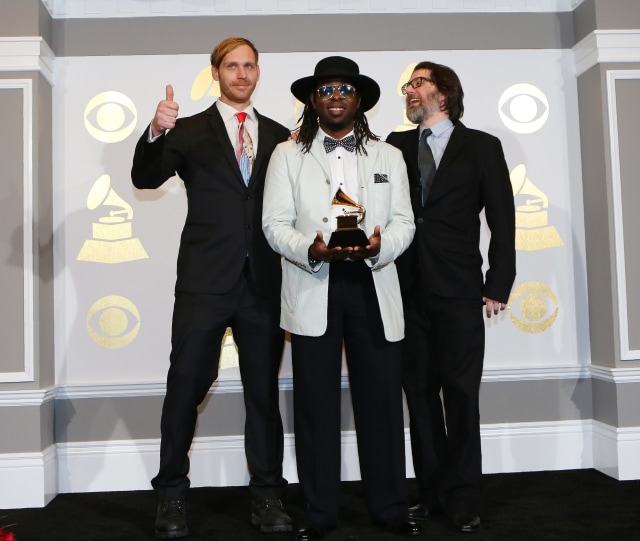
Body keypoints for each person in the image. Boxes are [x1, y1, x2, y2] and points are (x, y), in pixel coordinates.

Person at [131, 37, 293, 539]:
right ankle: (172, 498)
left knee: (264, 396)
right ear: (216, 73)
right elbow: (144, 177)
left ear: (257, 72)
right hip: (205, 283)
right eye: (232, 66)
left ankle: (267, 496)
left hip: (264, 285)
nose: (241, 74)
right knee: (184, 388)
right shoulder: (189, 129)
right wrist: (156, 130)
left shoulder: (282, 136)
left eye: (249, 66)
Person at [262, 56, 421, 541]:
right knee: (315, 405)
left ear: (359, 100)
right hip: (315, 285)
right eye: (326, 89)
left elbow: (404, 223)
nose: (335, 97)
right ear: (313, 100)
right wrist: (307, 249)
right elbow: (274, 225)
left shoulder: (388, 155)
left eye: (344, 89)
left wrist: (380, 248)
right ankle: (320, 512)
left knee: (381, 403)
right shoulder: (286, 155)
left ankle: (391, 507)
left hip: (372, 284)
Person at [386, 61, 516, 533]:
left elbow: (502, 220)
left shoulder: (481, 146)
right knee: (417, 395)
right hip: (402, 290)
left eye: (418, 83)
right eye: (408, 85)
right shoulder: (393, 146)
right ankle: (432, 492)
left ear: (444, 92)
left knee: (460, 394)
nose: (410, 91)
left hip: (460, 289)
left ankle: (464, 495)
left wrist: (498, 283)